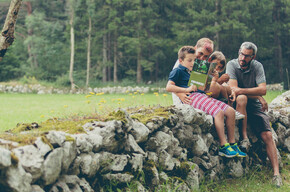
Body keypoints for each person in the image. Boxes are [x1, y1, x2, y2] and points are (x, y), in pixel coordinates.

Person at [166, 45, 246, 158]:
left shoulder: (195, 69)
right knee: (219, 113)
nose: (193, 62)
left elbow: (204, 89)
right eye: (190, 60)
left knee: (230, 112)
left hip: (202, 95)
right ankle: (224, 146)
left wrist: (213, 78)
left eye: (194, 60)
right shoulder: (178, 70)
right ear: (181, 60)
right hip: (192, 97)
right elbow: (169, 87)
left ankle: (232, 144)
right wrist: (185, 90)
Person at [226, 42, 282, 187]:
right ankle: (244, 138)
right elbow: (233, 89)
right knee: (242, 98)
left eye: (247, 56)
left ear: (253, 57)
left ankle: (276, 174)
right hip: (239, 104)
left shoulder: (257, 66)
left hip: (255, 106)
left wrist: (258, 95)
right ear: (239, 51)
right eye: (241, 54)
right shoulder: (232, 65)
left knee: (268, 135)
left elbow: (263, 90)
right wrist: (255, 93)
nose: (243, 58)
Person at [172, 38, 214, 105]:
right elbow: (172, 83)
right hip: (182, 96)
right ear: (195, 48)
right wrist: (180, 94)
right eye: (200, 53)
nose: (201, 58)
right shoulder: (184, 61)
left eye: (205, 56)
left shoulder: (202, 64)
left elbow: (204, 88)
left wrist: (210, 77)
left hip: (197, 97)